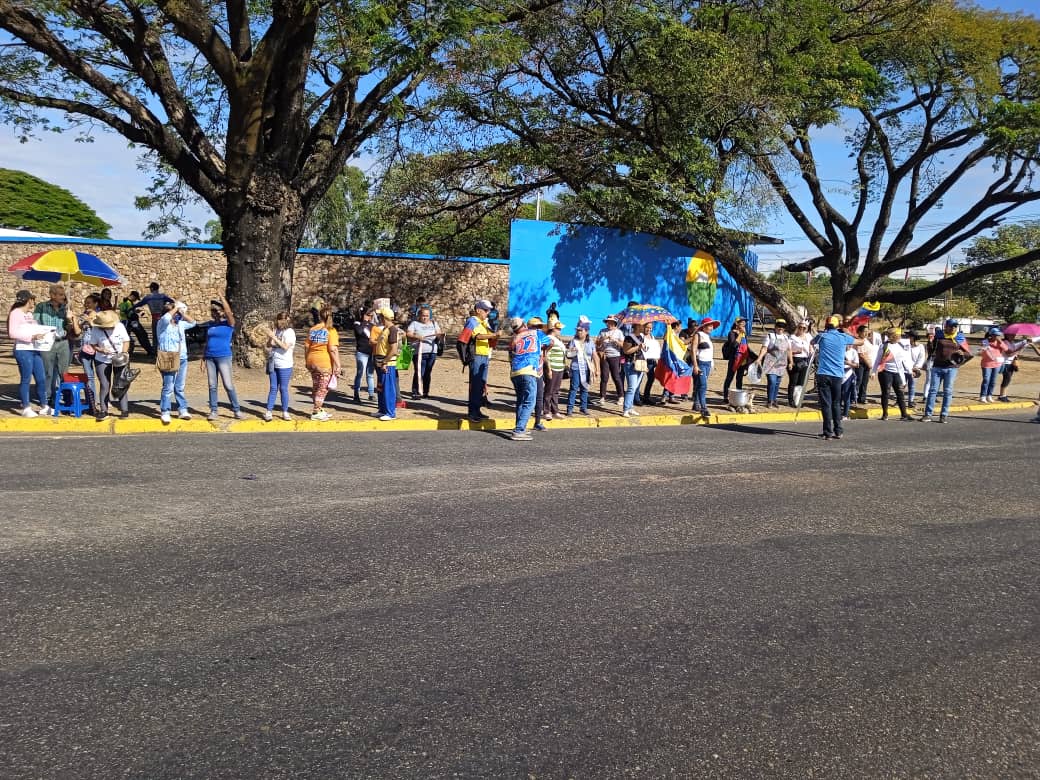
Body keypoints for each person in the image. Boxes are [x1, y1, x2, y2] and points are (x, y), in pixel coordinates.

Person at [811, 314, 856, 440]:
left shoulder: (822, 336)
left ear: (826, 325)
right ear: (837, 326)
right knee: (836, 403)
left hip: (823, 374)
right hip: (837, 375)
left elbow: (812, 342)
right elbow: (859, 341)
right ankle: (838, 431)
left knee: (826, 404)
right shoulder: (843, 337)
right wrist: (847, 332)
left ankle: (828, 432)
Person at [8, 290, 52, 417]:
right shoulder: (16, 313)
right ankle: (26, 407)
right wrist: (31, 337)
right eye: (32, 299)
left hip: (34, 349)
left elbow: (34, 328)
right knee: (26, 378)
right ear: (28, 300)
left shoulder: (29, 314)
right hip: (23, 350)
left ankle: (44, 406)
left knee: (41, 378)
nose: (34, 301)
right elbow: (12, 333)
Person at [921, 318, 972, 423]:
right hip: (937, 366)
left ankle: (943, 415)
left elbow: (968, 354)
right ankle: (927, 414)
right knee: (933, 391)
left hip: (951, 368)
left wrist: (962, 354)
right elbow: (931, 351)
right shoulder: (939, 336)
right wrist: (930, 342)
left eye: (955, 326)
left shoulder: (960, 337)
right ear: (946, 326)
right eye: (951, 326)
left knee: (947, 391)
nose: (953, 328)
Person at [201, 295, 243, 420]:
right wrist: (203, 358)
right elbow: (207, 341)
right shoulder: (210, 325)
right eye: (213, 312)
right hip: (210, 357)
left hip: (223, 357)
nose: (215, 314)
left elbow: (229, 312)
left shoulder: (229, 324)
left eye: (217, 311)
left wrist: (222, 298)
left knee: (228, 385)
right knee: (212, 385)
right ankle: (213, 411)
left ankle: (236, 410)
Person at [86, 308, 131, 420]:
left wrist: (124, 353)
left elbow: (126, 341)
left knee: (121, 383)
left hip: (119, 358)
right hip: (102, 359)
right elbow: (93, 344)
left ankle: (124, 409)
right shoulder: (96, 330)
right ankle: (103, 409)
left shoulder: (120, 326)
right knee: (105, 385)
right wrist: (101, 350)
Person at [33, 284, 74, 405]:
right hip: (47, 343)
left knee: (64, 372)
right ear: (52, 295)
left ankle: (67, 399)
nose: (63, 297)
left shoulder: (66, 308)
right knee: (48, 372)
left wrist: (69, 320)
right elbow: (35, 323)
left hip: (63, 342)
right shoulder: (41, 307)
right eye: (60, 294)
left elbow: (69, 328)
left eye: (63, 294)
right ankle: (47, 399)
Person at [156, 300, 195, 423]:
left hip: (182, 357)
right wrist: (175, 308)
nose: (176, 314)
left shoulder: (180, 324)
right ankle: (165, 411)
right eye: (175, 312)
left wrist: (182, 313)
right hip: (168, 357)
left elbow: (193, 323)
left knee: (180, 386)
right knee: (168, 386)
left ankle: (182, 409)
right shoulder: (162, 324)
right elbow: (166, 317)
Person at [305, 304, 340, 421]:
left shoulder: (313, 329)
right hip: (324, 362)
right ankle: (316, 411)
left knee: (316, 386)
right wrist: (338, 365)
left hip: (312, 360)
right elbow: (333, 349)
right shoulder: (331, 330)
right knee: (323, 388)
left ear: (320, 316)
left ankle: (319, 409)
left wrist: (307, 361)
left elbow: (306, 346)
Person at [507, 317, 540, 440]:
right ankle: (519, 430)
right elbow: (550, 342)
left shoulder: (514, 339)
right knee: (529, 401)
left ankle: (520, 426)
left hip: (515, 371)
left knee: (521, 400)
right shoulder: (536, 334)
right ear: (524, 324)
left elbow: (510, 355)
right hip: (528, 370)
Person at [464, 299, 497, 422]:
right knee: (476, 384)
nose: (488, 312)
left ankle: (477, 410)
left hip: (483, 355)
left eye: (488, 310)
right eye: (486, 310)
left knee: (481, 384)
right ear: (478, 310)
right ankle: (472, 412)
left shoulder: (482, 322)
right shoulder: (473, 321)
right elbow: (477, 336)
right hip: (476, 356)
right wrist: (493, 335)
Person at [872, 327, 913, 421]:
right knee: (886, 392)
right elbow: (877, 360)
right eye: (898, 335)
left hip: (897, 372)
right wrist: (873, 372)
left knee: (900, 393)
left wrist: (910, 371)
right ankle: (885, 414)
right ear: (893, 336)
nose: (900, 337)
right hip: (885, 372)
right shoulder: (884, 346)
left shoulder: (900, 346)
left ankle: (904, 414)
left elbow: (904, 361)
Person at [69, 294, 100, 414]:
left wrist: (90, 322)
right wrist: (75, 320)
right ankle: (91, 403)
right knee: (89, 376)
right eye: (86, 303)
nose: (87, 305)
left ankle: (101, 401)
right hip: (85, 349)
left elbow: (100, 328)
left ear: (96, 304)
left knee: (102, 377)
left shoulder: (100, 315)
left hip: (98, 349)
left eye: (90, 303)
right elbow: (77, 331)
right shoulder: (83, 316)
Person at [264, 311, 296, 421]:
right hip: (274, 362)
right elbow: (269, 345)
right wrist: (270, 337)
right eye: (279, 320)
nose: (280, 322)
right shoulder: (277, 330)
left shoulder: (290, 332)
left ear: (287, 320)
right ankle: (268, 411)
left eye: (283, 320)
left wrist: (274, 337)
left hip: (285, 364)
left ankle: (285, 411)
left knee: (283, 388)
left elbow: (285, 347)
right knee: (273, 387)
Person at [407, 305, 442, 399]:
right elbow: (408, 333)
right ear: (419, 315)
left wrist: (439, 335)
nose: (425, 317)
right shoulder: (414, 323)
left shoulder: (434, 323)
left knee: (428, 372)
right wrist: (417, 337)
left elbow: (439, 333)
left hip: (432, 352)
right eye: (423, 315)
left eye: (427, 315)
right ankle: (416, 391)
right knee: (419, 372)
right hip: (419, 352)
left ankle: (426, 392)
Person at [371, 306, 400, 421]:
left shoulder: (392, 330)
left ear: (384, 317)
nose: (379, 318)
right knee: (381, 387)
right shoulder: (385, 329)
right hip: (379, 361)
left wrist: (385, 362)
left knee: (388, 387)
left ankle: (390, 412)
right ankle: (382, 410)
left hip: (386, 363)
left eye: (380, 316)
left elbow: (393, 349)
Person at [755, 319, 792, 409]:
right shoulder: (770, 336)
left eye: (782, 326)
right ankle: (770, 400)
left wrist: (791, 361)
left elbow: (789, 350)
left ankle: (774, 399)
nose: (780, 328)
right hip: (770, 363)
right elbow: (764, 348)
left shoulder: (786, 337)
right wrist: (759, 359)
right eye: (779, 326)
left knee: (777, 382)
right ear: (775, 327)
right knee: (772, 381)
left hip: (781, 363)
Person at [565, 324, 597, 415]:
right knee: (574, 388)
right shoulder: (573, 341)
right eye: (578, 330)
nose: (579, 332)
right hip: (575, 368)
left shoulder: (590, 342)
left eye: (581, 330)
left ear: (586, 331)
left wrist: (597, 368)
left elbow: (594, 355)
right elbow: (568, 355)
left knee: (585, 388)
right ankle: (570, 409)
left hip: (587, 369)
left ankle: (583, 407)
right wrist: (572, 351)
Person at [690, 316, 719, 417]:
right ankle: (703, 407)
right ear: (704, 326)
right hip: (700, 363)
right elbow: (693, 350)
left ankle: (696, 404)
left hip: (707, 364)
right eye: (709, 325)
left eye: (712, 326)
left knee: (699, 385)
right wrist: (695, 366)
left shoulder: (707, 337)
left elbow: (709, 352)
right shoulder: (698, 335)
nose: (711, 327)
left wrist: (712, 363)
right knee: (703, 385)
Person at [133, 281, 174, 348]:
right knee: (164, 333)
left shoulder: (148, 297)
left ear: (151, 288)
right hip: (163, 317)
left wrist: (131, 308)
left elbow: (139, 304)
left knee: (155, 335)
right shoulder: (163, 296)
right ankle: (165, 348)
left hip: (155, 317)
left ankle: (155, 350)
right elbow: (172, 302)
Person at [596, 315, 625, 405]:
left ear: (614, 323)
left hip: (615, 356)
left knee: (616, 376)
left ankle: (621, 396)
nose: (609, 324)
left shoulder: (619, 332)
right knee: (604, 377)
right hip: (604, 356)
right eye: (607, 322)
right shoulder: (602, 331)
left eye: (611, 322)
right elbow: (597, 343)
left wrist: (615, 341)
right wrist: (603, 339)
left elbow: (623, 345)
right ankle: (602, 397)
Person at [620, 322, 647, 417]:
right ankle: (626, 409)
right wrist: (638, 347)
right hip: (630, 364)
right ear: (637, 326)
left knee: (635, 387)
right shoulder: (629, 337)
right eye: (642, 325)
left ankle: (631, 407)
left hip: (640, 363)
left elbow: (641, 350)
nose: (644, 327)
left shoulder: (641, 337)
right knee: (631, 387)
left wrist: (644, 347)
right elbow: (626, 351)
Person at [721, 316, 749, 404]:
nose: (744, 324)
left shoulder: (744, 334)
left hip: (742, 360)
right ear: (737, 324)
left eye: (744, 322)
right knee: (729, 378)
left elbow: (745, 347)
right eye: (742, 322)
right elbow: (734, 345)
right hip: (734, 359)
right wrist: (740, 334)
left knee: (739, 379)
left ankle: (738, 397)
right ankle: (725, 396)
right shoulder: (731, 333)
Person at [351, 307, 377, 403]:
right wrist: (365, 322)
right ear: (362, 315)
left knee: (370, 374)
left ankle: (371, 394)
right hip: (361, 352)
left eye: (370, 316)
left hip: (371, 352)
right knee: (360, 373)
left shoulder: (372, 325)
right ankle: (356, 394)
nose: (369, 317)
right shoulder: (357, 323)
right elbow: (359, 332)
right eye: (367, 315)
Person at [543, 321, 567, 420]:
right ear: (553, 329)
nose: (560, 330)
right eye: (558, 329)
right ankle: (546, 411)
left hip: (560, 367)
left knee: (556, 391)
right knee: (549, 390)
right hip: (552, 367)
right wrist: (548, 369)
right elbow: (545, 354)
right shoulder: (549, 339)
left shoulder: (558, 340)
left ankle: (555, 411)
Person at [787, 321, 814, 407]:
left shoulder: (809, 337)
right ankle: (791, 400)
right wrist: (791, 361)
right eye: (800, 327)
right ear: (797, 328)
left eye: (804, 328)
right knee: (793, 381)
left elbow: (811, 347)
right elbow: (788, 350)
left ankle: (798, 400)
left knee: (801, 382)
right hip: (795, 359)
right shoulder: (792, 337)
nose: (802, 329)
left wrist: (812, 351)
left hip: (805, 360)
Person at [120, 291, 154, 357]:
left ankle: (148, 350)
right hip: (132, 322)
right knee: (142, 335)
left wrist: (135, 311)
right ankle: (150, 351)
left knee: (130, 337)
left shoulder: (124, 302)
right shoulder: (128, 303)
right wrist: (136, 314)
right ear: (133, 296)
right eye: (135, 298)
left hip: (126, 322)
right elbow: (129, 313)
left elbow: (126, 311)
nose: (135, 300)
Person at [855, 324, 880, 405]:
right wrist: (869, 364)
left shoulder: (866, 340)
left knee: (864, 382)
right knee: (858, 381)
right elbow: (861, 354)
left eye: (867, 331)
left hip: (867, 364)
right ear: (859, 332)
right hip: (861, 364)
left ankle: (862, 398)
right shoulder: (858, 341)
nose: (866, 333)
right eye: (864, 332)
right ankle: (853, 397)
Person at [640, 322, 663, 406]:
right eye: (647, 327)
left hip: (651, 360)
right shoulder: (641, 336)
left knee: (651, 378)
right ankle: (637, 397)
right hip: (643, 360)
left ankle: (646, 396)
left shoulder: (652, 336)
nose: (649, 329)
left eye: (650, 328)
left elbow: (654, 348)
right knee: (639, 379)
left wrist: (656, 358)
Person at [905, 331, 927, 409]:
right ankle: (899, 399)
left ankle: (911, 400)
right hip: (904, 368)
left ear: (913, 338)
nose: (907, 338)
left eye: (909, 336)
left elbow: (921, 358)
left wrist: (916, 368)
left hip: (914, 369)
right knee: (902, 385)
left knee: (912, 385)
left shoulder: (920, 347)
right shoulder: (905, 346)